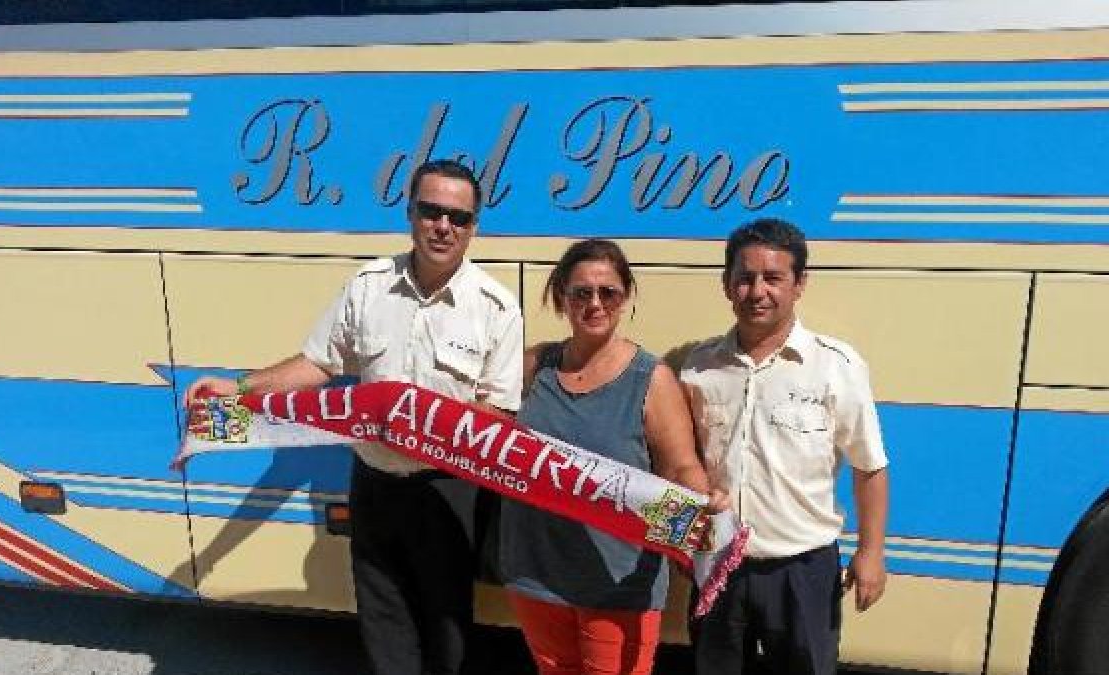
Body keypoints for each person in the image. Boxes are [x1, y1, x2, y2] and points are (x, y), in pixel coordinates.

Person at [185, 159, 524, 675]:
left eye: (458, 217)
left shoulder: (496, 308)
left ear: (474, 226)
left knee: (448, 632)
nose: (443, 226)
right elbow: (319, 363)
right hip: (375, 483)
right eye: (431, 211)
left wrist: (423, 422)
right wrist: (239, 387)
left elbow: (497, 414)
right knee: (383, 625)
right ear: (410, 213)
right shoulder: (368, 285)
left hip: (448, 490)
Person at [497, 238, 721, 675]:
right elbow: (482, 431)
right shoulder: (532, 366)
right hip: (535, 570)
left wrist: (700, 510)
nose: (594, 304)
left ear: (625, 298)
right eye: (581, 292)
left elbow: (679, 466)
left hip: (619, 581)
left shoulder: (651, 379)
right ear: (560, 296)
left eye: (608, 293)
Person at [679, 218, 889, 675]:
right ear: (727, 284)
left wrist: (871, 552)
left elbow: (869, 465)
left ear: (799, 284)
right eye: (745, 277)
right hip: (718, 564)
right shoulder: (697, 368)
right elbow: (682, 462)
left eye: (773, 278)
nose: (758, 291)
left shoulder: (836, 366)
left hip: (803, 570)